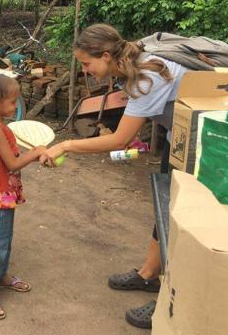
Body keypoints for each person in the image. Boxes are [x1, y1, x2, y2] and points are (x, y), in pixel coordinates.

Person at [40, 23, 188, 329]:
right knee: (165, 209)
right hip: (182, 139)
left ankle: (170, 304)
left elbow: (119, 141)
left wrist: (66, 144)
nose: (85, 70)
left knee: (181, 222)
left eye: (86, 63)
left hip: (207, 145)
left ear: (106, 55)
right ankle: (148, 274)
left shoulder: (146, 77)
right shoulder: (131, 66)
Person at [0, 74, 44, 320]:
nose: (15, 105)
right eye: (12, 101)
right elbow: (12, 162)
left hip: (5, 192)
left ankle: (1, 276)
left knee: (4, 237)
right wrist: (37, 153)